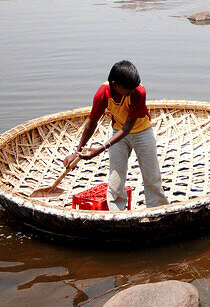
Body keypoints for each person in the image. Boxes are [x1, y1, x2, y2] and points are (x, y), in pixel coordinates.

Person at [65, 60, 168, 210]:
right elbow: (91, 123)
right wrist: (77, 152)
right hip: (117, 132)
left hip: (142, 132)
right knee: (115, 180)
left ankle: (158, 209)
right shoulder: (102, 94)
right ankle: (116, 213)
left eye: (134, 88)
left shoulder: (138, 92)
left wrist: (100, 149)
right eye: (128, 88)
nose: (132, 91)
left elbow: (127, 128)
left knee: (152, 177)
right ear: (115, 84)